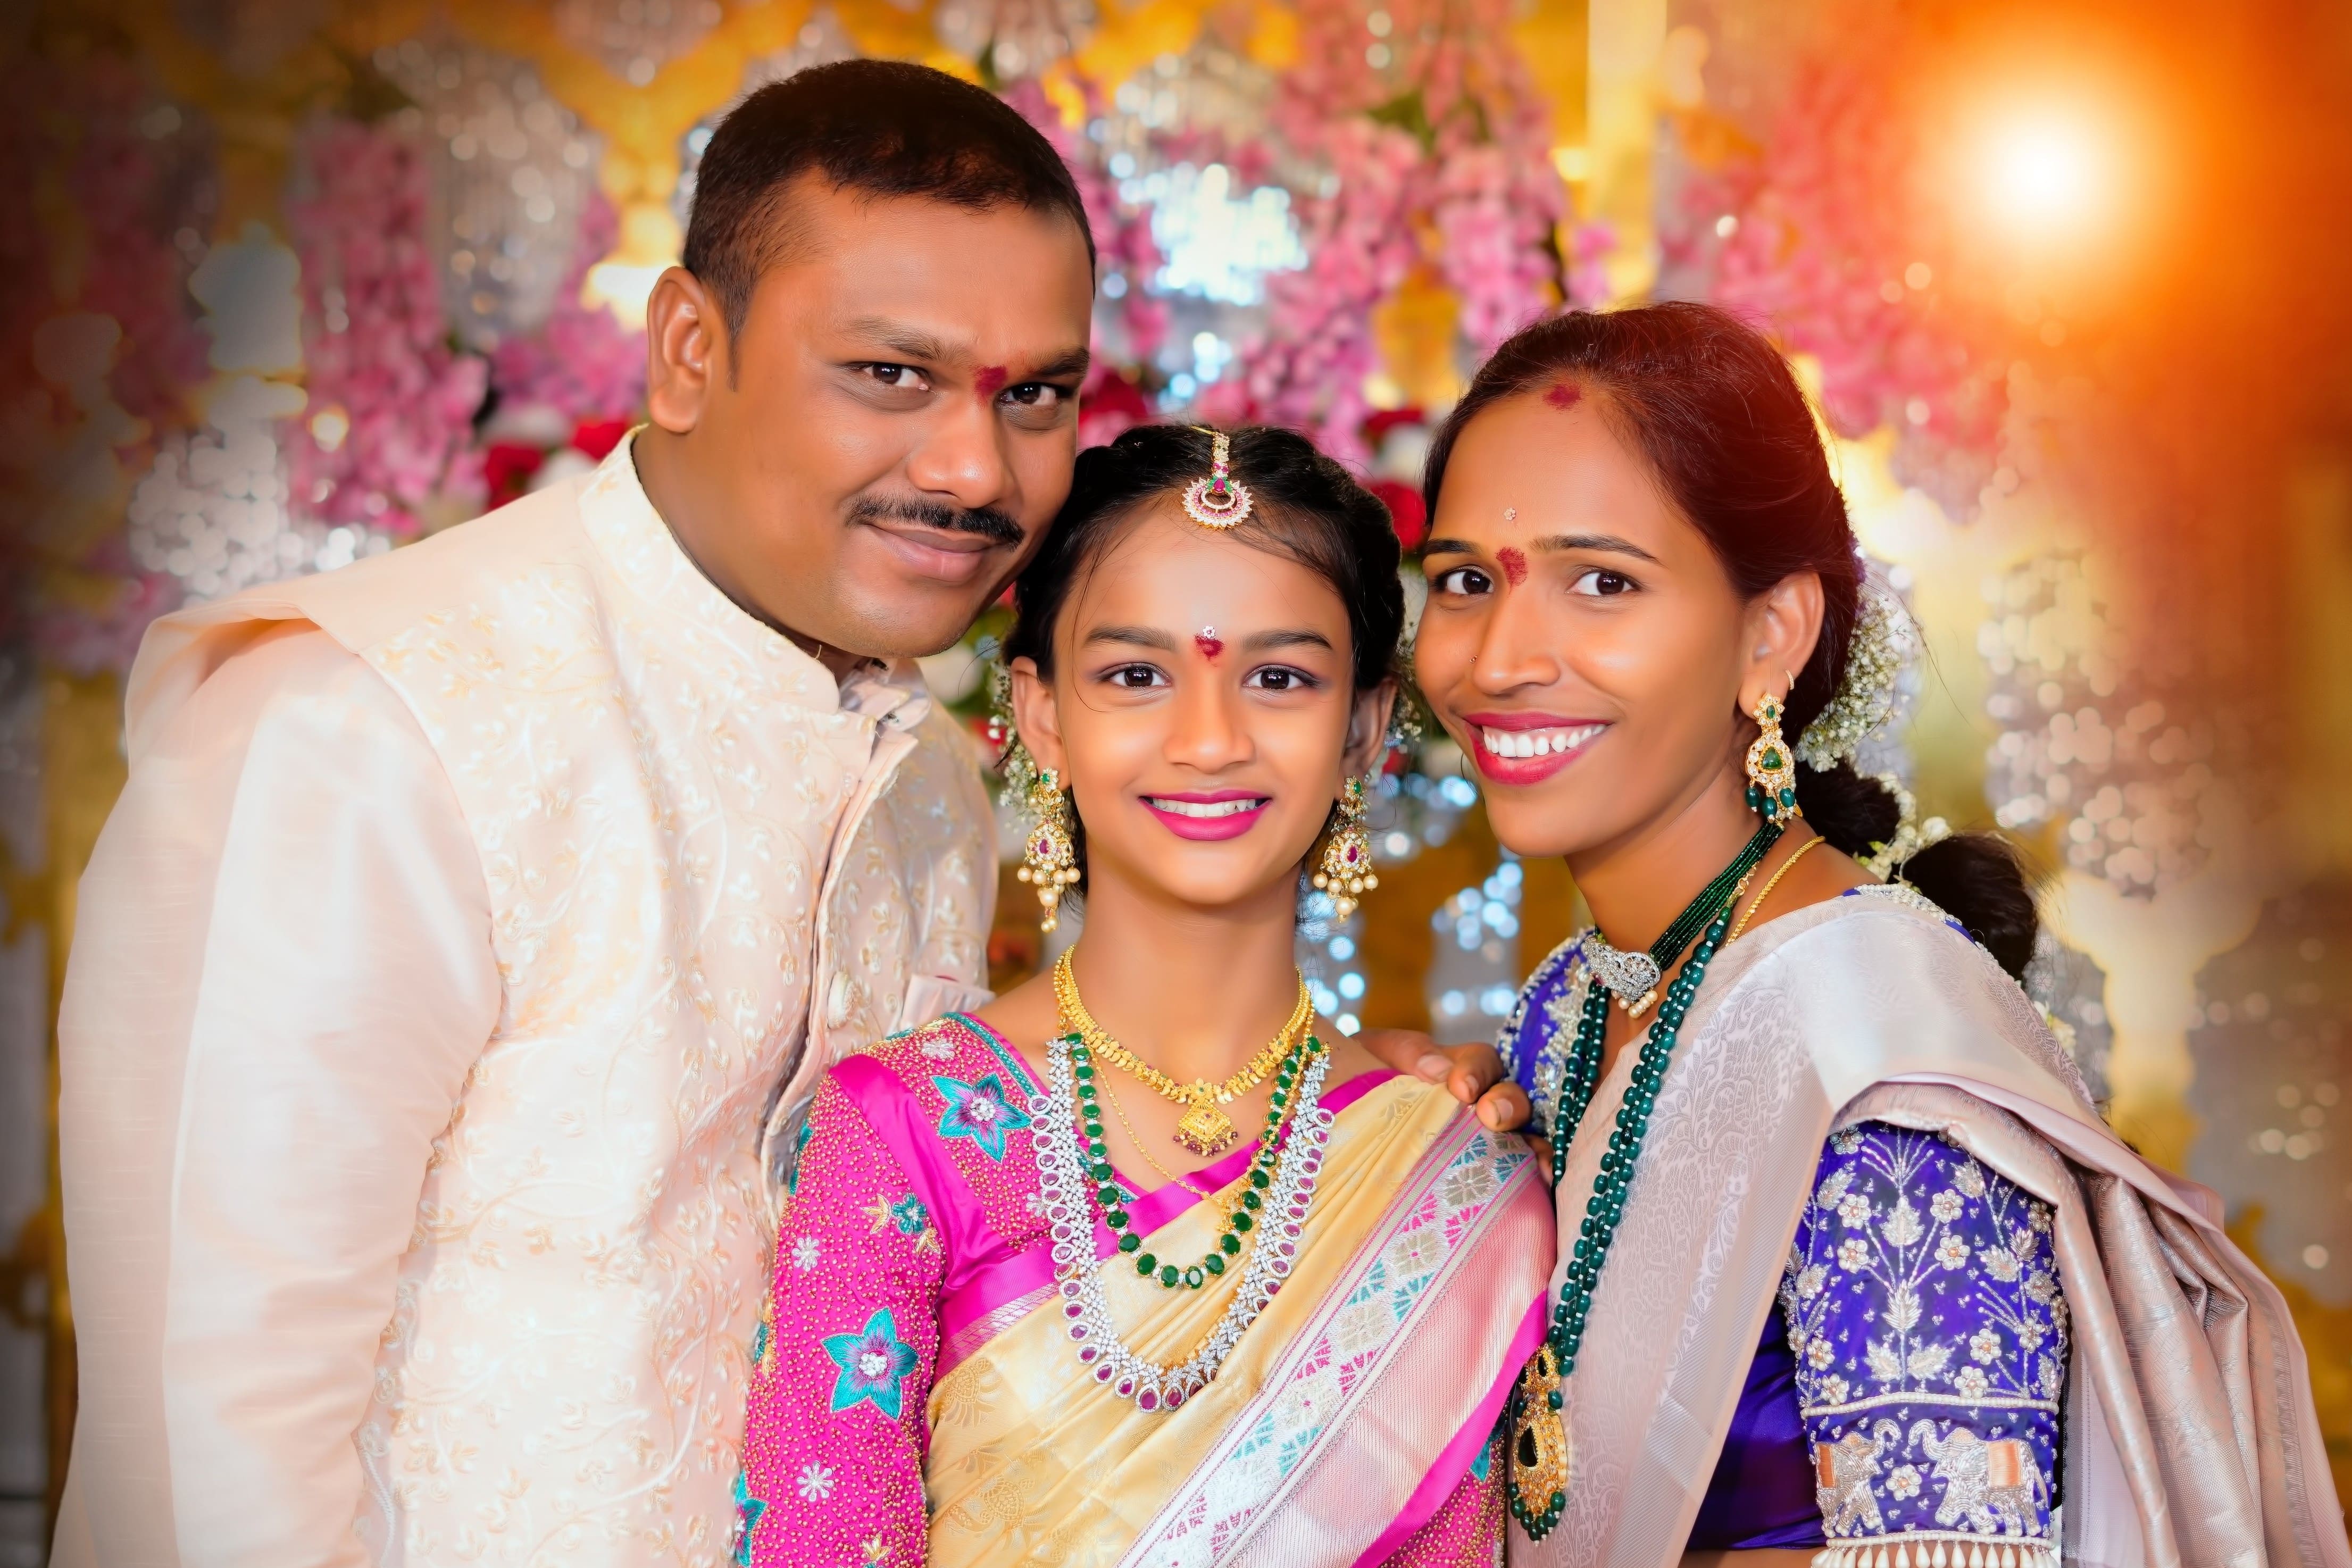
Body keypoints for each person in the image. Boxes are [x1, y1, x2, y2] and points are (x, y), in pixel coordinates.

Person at [51, 65, 1509, 1567]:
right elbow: (210, 1456)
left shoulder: (933, 785)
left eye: (1033, 395)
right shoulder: (365, 729)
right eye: (890, 373)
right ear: (689, 349)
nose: (969, 467)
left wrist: (1325, 1116)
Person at [1412, 304, 2351, 1568]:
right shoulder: (1574, 1005)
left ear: (1772, 635)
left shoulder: (1881, 1064)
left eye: (1604, 582)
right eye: (1466, 580)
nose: (1502, 656)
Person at [736, 424, 1555, 1567]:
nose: (1209, 738)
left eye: (1279, 677)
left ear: (1364, 730)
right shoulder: (903, 1133)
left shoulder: (1445, 1162)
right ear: (1042, 715)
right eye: (1135, 674)